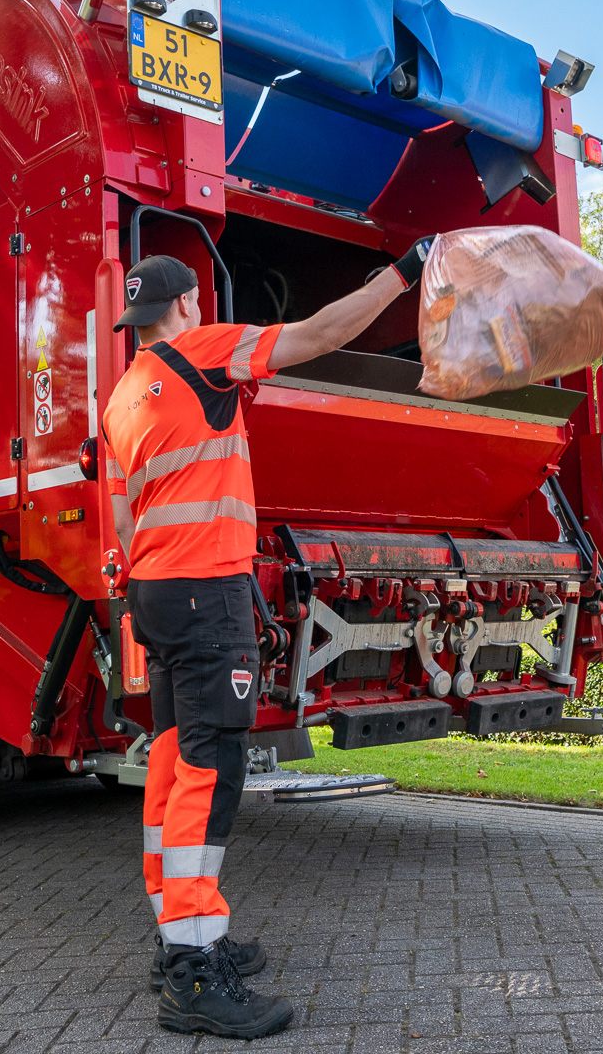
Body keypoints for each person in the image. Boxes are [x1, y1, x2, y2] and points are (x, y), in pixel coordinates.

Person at [102, 240, 428, 1038]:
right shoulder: (203, 352)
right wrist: (403, 274)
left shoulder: (121, 398)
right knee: (212, 770)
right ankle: (191, 976)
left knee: (176, 758)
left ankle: (181, 934)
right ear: (186, 307)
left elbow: (119, 520)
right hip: (208, 592)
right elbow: (316, 334)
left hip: (156, 594)